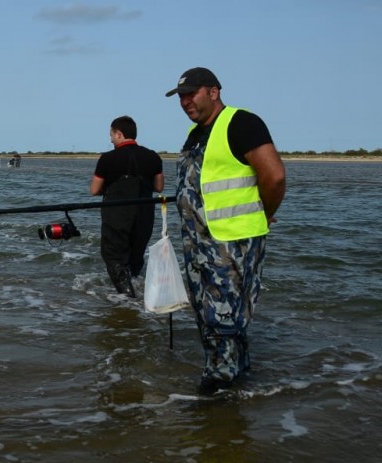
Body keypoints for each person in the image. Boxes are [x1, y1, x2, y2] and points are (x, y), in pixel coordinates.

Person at [166, 67, 286, 395]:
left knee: (221, 314)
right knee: (210, 313)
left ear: (214, 92)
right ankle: (238, 378)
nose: (185, 101)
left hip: (231, 242)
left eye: (192, 94)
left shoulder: (241, 123)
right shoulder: (197, 133)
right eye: (181, 97)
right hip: (199, 243)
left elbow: (274, 176)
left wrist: (265, 214)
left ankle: (217, 389)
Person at [89, 116, 164, 297]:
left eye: (112, 135)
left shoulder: (107, 158)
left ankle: (127, 299)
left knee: (114, 257)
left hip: (117, 214)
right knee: (135, 256)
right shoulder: (153, 156)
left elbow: (94, 190)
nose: (111, 139)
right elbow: (159, 187)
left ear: (119, 134)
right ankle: (138, 293)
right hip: (145, 214)